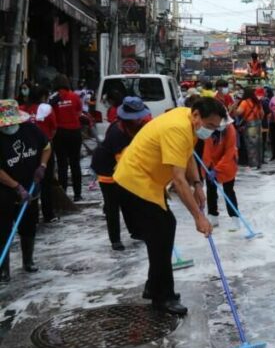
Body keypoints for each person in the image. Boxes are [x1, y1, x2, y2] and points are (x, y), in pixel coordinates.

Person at [113, 98, 226, 315]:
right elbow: (178, 180)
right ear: (196, 116)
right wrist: (198, 218)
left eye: (215, 127)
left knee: (163, 232)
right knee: (162, 233)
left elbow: (187, 156)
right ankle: (162, 297)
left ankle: (154, 286)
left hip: (149, 182)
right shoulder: (177, 128)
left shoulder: (188, 121)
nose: (211, 132)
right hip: (134, 182)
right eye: (210, 126)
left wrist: (198, 184)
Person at [0, 99, 52, 283]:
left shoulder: (30, 129)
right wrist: (16, 186)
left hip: (31, 187)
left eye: (13, 122)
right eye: (6, 123)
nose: (10, 126)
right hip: (4, 192)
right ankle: (3, 269)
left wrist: (43, 166)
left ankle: (28, 261)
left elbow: (46, 147)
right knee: (3, 229)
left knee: (29, 226)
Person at [91, 97, 151, 250]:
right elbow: (124, 162)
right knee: (112, 205)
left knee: (129, 201)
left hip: (124, 168)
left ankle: (136, 231)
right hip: (107, 170)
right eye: (137, 117)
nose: (140, 119)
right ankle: (115, 239)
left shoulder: (135, 127)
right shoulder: (117, 132)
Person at [202, 117, 239, 229]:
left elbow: (229, 151)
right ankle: (213, 218)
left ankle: (235, 219)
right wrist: (207, 167)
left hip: (228, 164)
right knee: (211, 190)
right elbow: (206, 150)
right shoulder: (208, 128)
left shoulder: (230, 129)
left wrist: (218, 169)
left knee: (228, 191)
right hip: (211, 164)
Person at [51, 74, 84, 201]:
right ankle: (78, 194)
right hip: (74, 133)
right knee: (75, 163)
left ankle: (63, 193)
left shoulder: (54, 98)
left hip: (60, 134)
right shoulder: (74, 96)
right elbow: (79, 112)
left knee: (62, 164)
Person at [31, 86, 58, 224]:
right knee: (46, 182)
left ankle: (32, 216)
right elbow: (54, 129)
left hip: (27, 151)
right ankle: (48, 214)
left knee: (30, 183)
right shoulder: (47, 109)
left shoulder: (23, 109)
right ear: (43, 96)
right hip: (45, 149)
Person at [235, 86, 264, 169]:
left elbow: (238, 113)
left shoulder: (244, 102)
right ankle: (259, 163)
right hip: (258, 124)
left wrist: (233, 108)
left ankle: (253, 164)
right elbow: (262, 114)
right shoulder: (257, 102)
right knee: (258, 144)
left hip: (250, 125)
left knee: (251, 145)